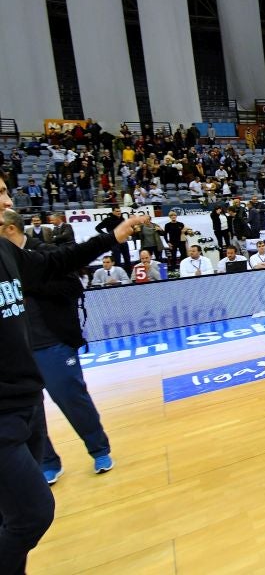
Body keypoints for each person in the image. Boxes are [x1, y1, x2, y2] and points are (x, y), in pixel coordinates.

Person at [0, 178, 145, 573]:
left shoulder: (10, 254)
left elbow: (61, 266)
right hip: (5, 411)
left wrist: (112, 236)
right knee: (31, 514)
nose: (9, 199)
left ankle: (98, 450)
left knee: (15, 515)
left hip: (32, 381)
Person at [0, 209, 115, 486]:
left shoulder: (42, 251)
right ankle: (48, 462)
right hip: (19, 349)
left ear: (10, 230)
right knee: (32, 411)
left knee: (71, 397)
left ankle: (99, 449)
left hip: (52, 341)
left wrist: (29, 289)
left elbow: (72, 287)